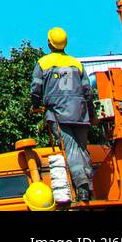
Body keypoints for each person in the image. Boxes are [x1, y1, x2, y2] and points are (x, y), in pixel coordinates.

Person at [30, 27, 95, 203]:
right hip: (80, 113)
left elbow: (36, 89)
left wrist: (35, 105)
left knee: (71, 150)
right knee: (83, 150)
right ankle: (89, 187)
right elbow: (87, 91)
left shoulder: (43, 63)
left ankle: (81, 187)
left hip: (59, 113)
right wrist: (89, 110)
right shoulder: (76, 63)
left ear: (49, 43)